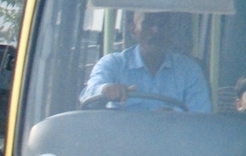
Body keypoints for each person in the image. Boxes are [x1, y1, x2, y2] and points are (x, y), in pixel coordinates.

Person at [80, 11, 212, 112]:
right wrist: (106, 90)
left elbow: (202, 121)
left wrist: (177, 120)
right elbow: (88, 96)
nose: (156, 31)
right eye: (148, 23)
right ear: (133, 29)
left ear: (170, 30)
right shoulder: (113, 64)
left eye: (162, 25)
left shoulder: (190, 71)